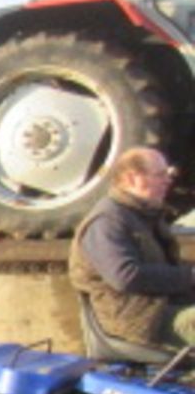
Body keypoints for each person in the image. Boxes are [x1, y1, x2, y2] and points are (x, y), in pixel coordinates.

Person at [67, 146, 195, 347]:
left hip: (161, 307)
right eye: (160, 174)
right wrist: (190, 276)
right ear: (132, 179)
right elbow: (125, 276)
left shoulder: (143, 215)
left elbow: (165, 266)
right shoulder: (107, 221)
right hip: (139, 320)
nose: (168, 180)